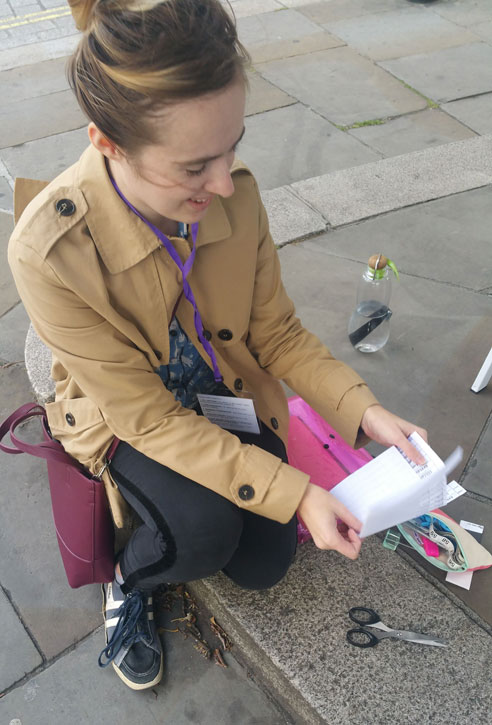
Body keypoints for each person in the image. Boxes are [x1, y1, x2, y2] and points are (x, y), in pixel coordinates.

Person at [9, 0, 427, 691]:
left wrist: (366, 411)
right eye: (195, 166)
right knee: (199, 533)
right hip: (128, 418)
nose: (226, 184)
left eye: (234, 146)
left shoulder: (230, 193)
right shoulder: (49, 253)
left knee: (262, 561)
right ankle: (127, 580)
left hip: (224, 391)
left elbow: (277, 333)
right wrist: (294, 490)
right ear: (107, 143)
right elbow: (147, 418)